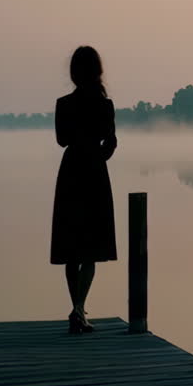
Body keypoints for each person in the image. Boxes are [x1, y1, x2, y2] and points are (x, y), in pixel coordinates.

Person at [51, 46, 117, 333]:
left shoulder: (63, 103)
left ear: (73, 73)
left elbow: (61, 140)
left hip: (70, 171)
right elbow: (111, 142)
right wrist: (98, 157)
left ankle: (76, 308)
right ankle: (79, 308)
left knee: (71, 247)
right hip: (94, 172)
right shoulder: (105, 105)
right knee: (91, 247)